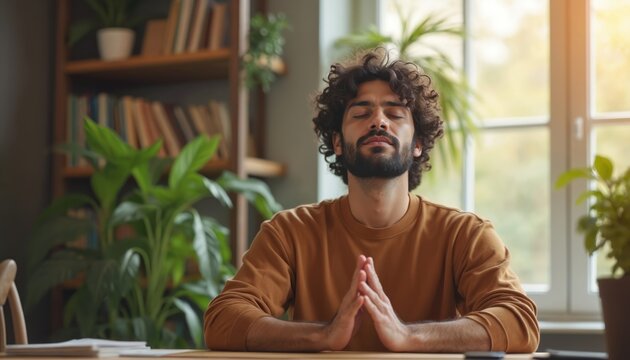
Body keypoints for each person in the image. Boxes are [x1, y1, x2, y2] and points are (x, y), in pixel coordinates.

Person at [203, 48, 539, 353]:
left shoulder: (465, 234)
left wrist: (408, 337)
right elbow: (223, 321)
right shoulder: (290, 232)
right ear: (337, 142)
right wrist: (324, 335)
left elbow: (519, 321)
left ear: (418, 143)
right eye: (361, 113)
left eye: (394, 113)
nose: (378, 120)